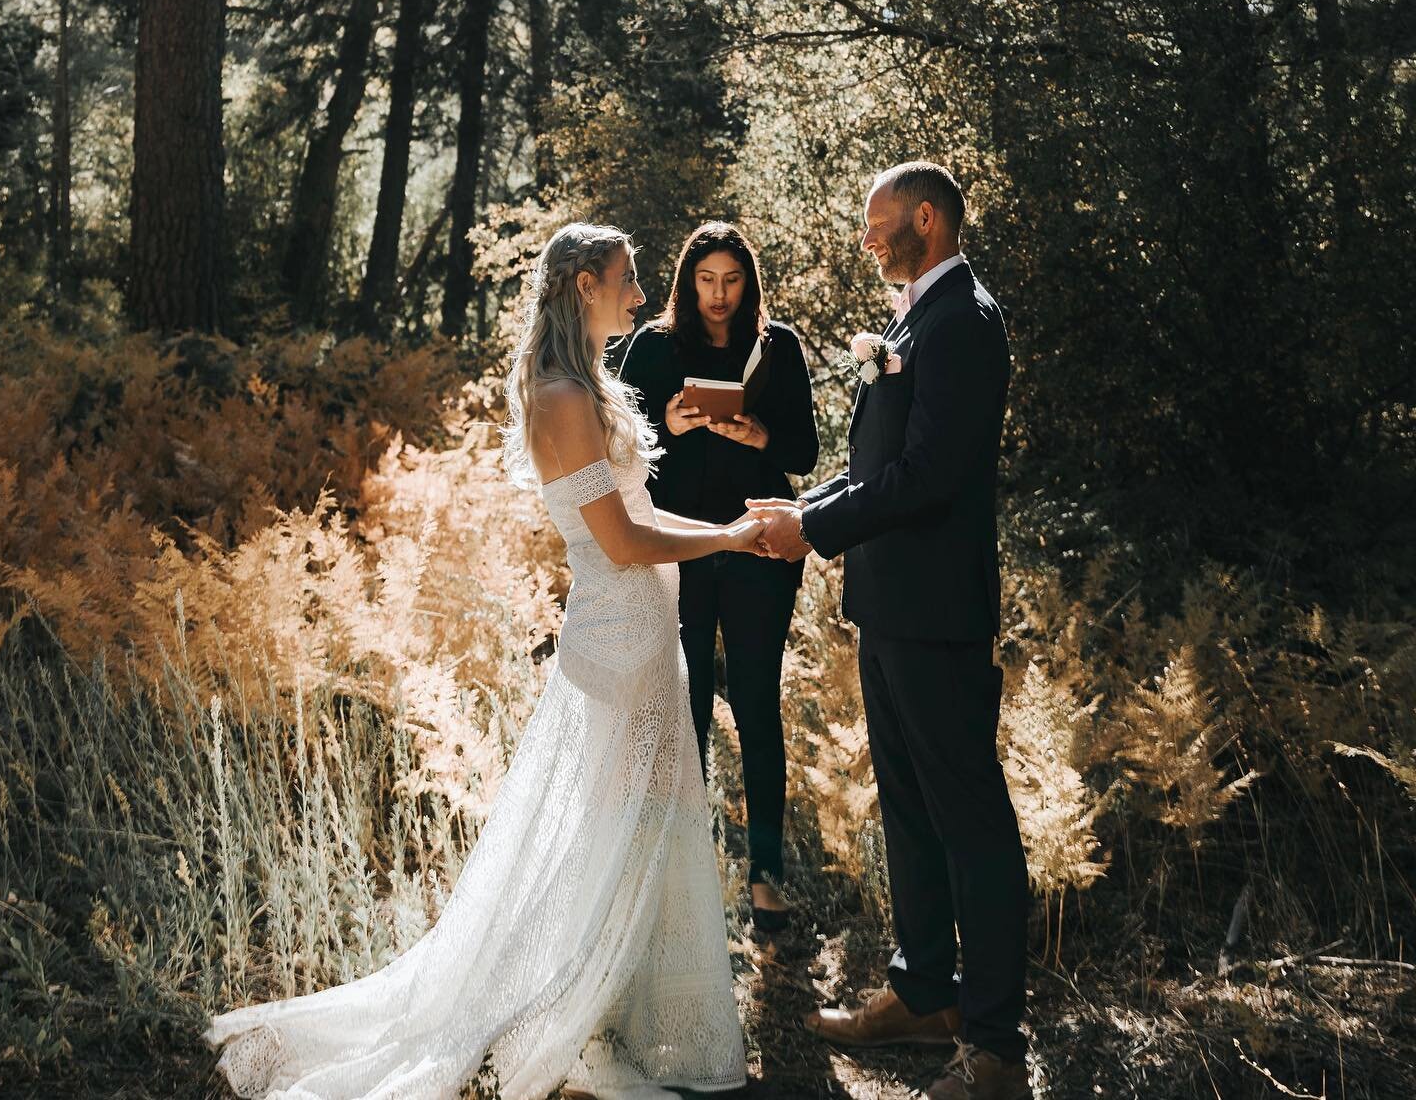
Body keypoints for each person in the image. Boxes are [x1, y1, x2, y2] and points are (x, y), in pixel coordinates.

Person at [205, 222, 764, 1100]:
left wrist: (736, 534)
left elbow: (640, 514)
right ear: (584, 284)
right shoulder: (560, 398)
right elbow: (618, 542)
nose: (641, 294)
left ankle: (606, 1021)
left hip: (647, 632)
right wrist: (730, 536)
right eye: (627, 278)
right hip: (617, 641)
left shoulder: (588, 388)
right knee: (614, 839)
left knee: (639, 830)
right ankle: (563, 1027)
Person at [747, 163, 1031, 1100]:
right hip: (889, 607)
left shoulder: (964, 323)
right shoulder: (916, 319)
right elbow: (879, 462)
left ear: (926, 218)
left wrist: (813, 528)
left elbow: (928, 477)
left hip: (939, 614)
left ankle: (993, 1050)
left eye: (878, 223)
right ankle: (922, 995)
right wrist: (799, 508)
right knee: (909, 810)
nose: (866, 238)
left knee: (971, 823)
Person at [621, 223, 819, 935]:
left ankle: (766, 882)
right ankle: (686, 883)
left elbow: (805, 449)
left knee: (759, 706)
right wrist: (669, 424)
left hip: (760, 548)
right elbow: (621, 456)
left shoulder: (779, 346)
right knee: (687, 708)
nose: (719, 295)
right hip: (678, 548)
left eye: (732, 280)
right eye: (706, 279)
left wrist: (762, 435)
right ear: (686, 280)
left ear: (750, 282)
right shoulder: (653, 347)